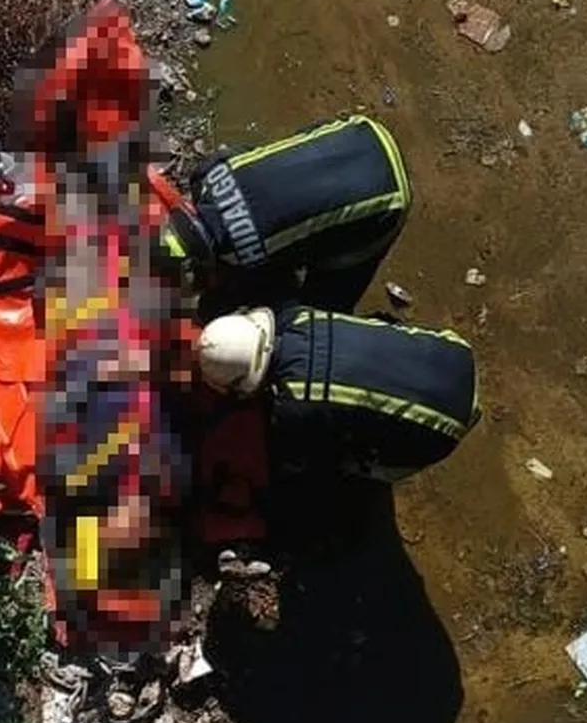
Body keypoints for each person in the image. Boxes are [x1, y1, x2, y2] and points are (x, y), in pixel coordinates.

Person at [152, 115, 412, 318]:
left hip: (385, 201)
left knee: (321, 309)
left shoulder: (243, 256)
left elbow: (277, 290)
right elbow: (246, 153)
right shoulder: (208, 175)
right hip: (357, 134)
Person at [194, 304, 481, 484]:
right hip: (452, 351)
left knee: (341, 463)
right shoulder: (297, 317)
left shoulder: (292, 408)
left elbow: (310, 460)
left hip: (444, 425)